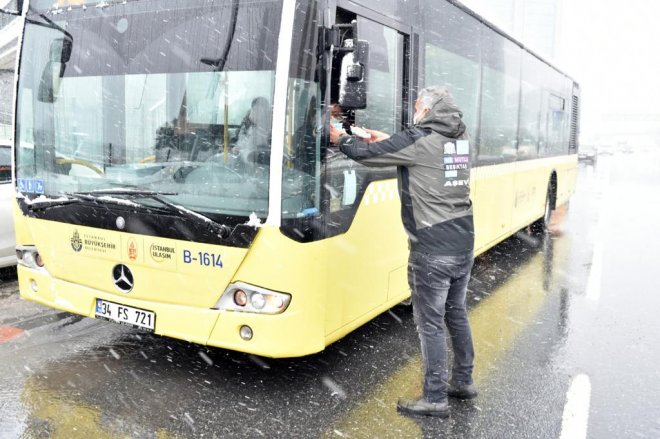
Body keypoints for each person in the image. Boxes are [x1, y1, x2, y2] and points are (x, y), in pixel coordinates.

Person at [329, 86, 477, 418]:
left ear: (428, 110)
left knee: (430, 324)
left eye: (418, 107)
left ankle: (435, 397)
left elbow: (368, 156)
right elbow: (421, 151)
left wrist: (340, 139)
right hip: (463, 241)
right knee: (455, 313)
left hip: (432, 248)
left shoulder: (418, 139)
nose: (415, 111)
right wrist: (386, 139)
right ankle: (463, 381)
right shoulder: (461, 138)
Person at [234, 96, 272, 164]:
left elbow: (259, 154)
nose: (255, 113)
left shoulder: (269, 132)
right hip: (241, 162)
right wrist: (235, 148)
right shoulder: (247, 125)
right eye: (254, 109)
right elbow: (239, 142)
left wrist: (242, 152)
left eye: (259, 111)